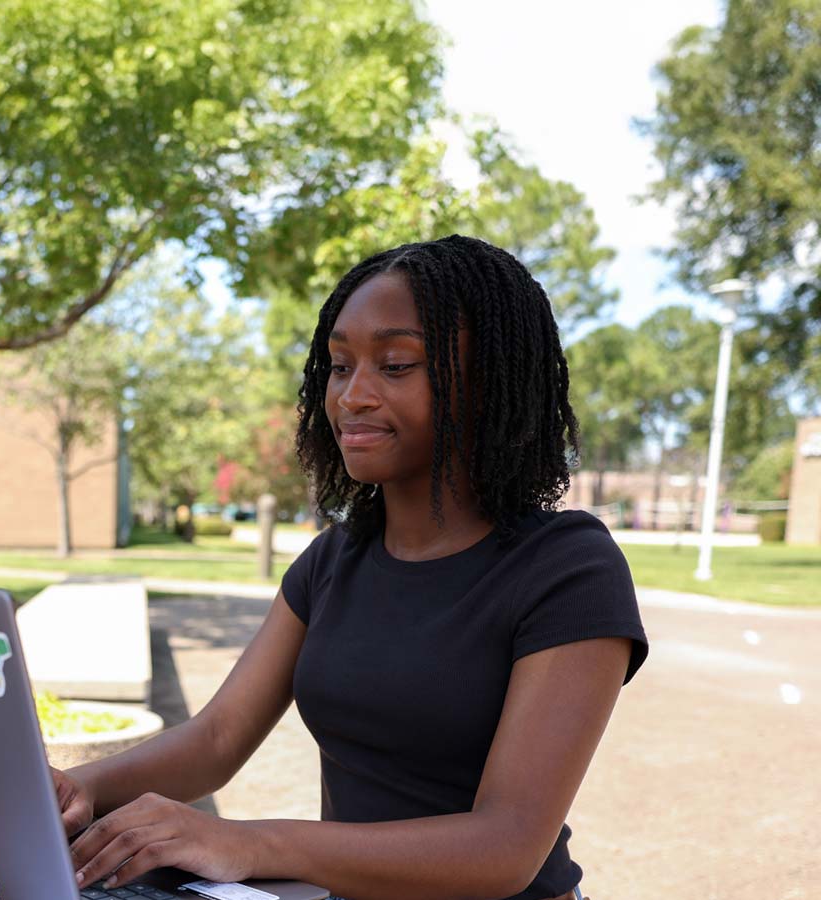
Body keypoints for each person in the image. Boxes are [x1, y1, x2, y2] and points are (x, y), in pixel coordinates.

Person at [53, 235, 648, 900]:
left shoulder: (567, 568)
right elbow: (218, 738)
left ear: (488, 382)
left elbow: (504, 845)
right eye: (339, 367)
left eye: (396, 365)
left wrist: (250, 842)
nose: (352, 396)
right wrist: (80, 791)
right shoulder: (333, 560)